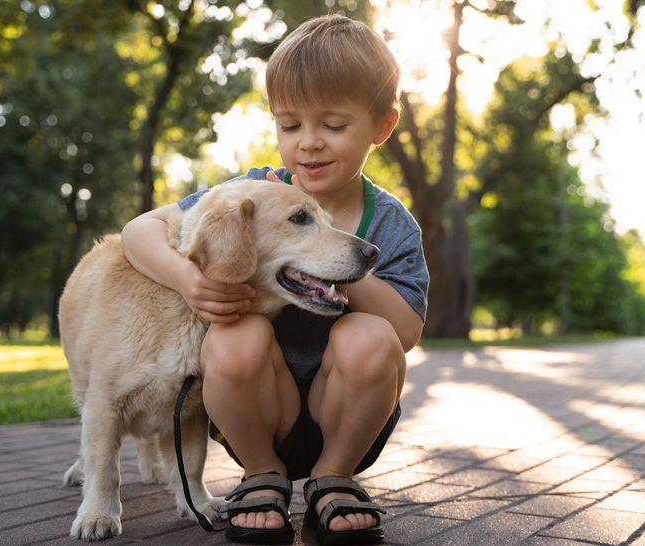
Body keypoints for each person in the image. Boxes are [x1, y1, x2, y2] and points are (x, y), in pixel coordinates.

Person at [121, 14, 428, 545]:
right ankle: (262, 475)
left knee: (371, 335)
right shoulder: (257, 196)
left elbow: (404, 332)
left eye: (333, 125)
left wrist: (338, 261)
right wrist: (187, 279)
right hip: (258, 413)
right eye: (290, 125)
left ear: (381, 127)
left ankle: (334, 479)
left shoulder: (391, 222)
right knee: (236, 332)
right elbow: (137, 231)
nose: (308, 143)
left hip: (350, 419)